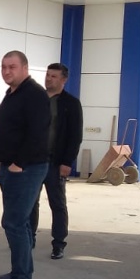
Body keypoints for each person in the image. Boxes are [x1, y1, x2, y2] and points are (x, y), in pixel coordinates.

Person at [0, 51, 50, 279]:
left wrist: (19, 163)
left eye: (12, 66)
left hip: (26, 169)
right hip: (11, 167)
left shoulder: (34, 94)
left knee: (14, 222)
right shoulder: (13, 93)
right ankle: (18, 272)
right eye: (3, 67)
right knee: (18, 223)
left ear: (25, 67)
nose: (6, 71)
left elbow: (38, 133)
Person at [30, 63, 83, 260]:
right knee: (30, 203)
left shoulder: (71, 103)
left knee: (58, 204)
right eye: (47, 75)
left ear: (63, 80)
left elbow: (75, 136)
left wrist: (67, 162)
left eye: (54, 76)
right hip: (34, 162)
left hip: (56, 163)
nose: (49, 78)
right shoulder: (36, 100)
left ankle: (58, 243)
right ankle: (29, 238)